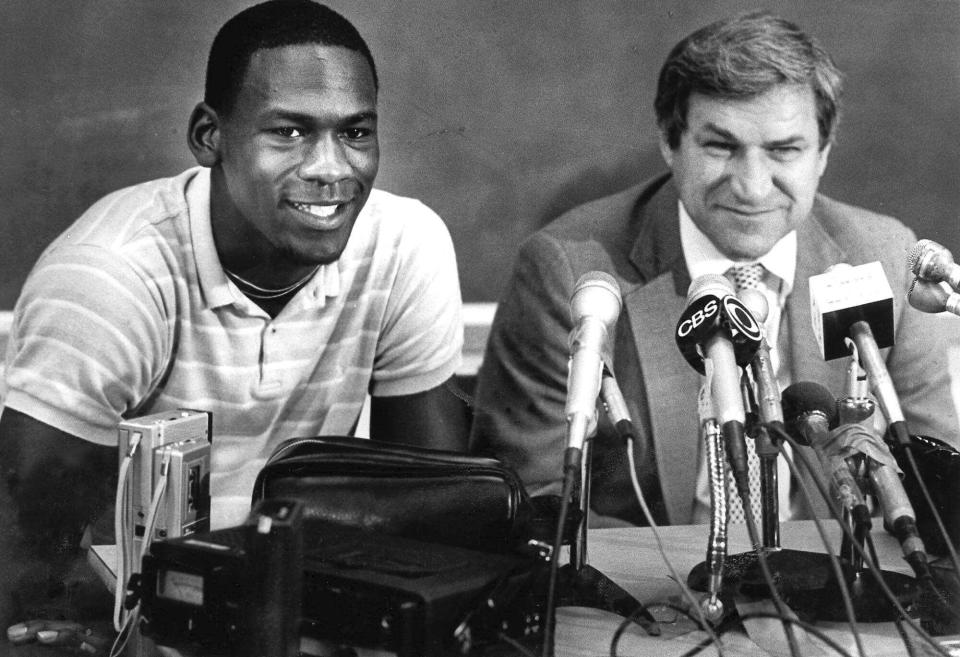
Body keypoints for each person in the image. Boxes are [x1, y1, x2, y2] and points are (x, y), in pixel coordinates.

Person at [1, 1, 468, 652]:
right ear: (208, 136)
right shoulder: (111, 279)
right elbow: (28, 567)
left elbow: (430, 512)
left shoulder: (403, 246)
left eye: (356, 133)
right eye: (289, 132)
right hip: (127, 625)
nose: (332, 168)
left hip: (297, 617)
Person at [470, 11, 960, 528]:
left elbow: (939, 475)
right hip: (655, 596)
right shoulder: (564, 270)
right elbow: (535, 497)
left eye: (784, 150)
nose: (752, 186)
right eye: (722, 146)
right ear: (669, 142)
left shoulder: (882, 254)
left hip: (836, 591)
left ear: (822, 153)